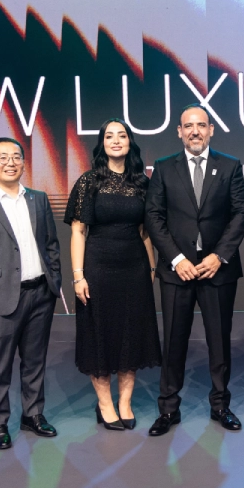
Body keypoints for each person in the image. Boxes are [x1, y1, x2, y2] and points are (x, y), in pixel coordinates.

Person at [144, 104, 244, 436]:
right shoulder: (164, 168)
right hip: (177, 272)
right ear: (179, 132)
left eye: (201, 125)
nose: (195, 131)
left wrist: (219, 256)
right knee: (173, 341)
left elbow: (240, 215)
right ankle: (168, 409)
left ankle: (220, 406)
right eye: (188, 126)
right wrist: (177, 259)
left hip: (217, 271)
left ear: (211, 130)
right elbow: (153, 217)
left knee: (219, 341)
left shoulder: (230, 166)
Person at [0, 137, 63, 449]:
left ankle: (33, 415)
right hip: (1, 299)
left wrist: (54, 281)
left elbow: (51, 244)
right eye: (2, 157)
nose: (10, 163)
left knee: (35, 361)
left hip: (40, 294)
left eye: (16, 157)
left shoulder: (38, 199)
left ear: (23, 162)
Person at [64, 119, 162, 431]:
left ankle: (125, 403)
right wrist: (78, 276)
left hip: (134, 269)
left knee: (131, 334)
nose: (116, 141)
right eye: (110, 136)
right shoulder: (88, 181)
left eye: (122, 135)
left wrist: (151, 268)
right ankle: (105, 404)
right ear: (102, 143)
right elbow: (78, 232)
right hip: (98, 269)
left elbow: (145, 233)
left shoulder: (142, 183)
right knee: (100, 335)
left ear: (130, 142)